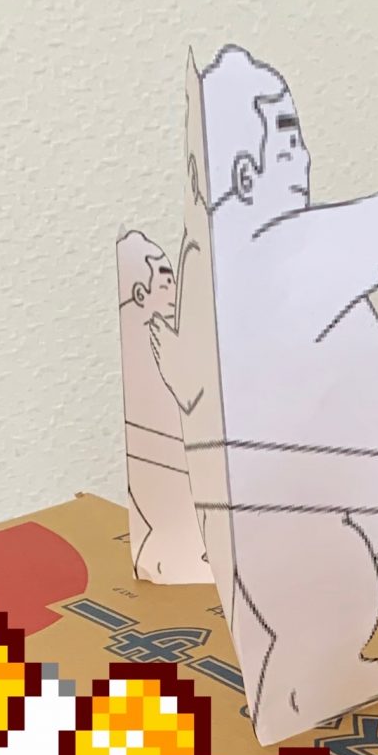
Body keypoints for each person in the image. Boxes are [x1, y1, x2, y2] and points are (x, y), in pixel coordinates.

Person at [152, 46, 378, 740]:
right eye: (286, 133)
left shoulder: (208, 266)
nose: (304, 151)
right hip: (297, 513)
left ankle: (297, 677)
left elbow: (191, 375)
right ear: (246, 170)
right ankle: (307, 687)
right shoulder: (280, 252)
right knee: (335, 601)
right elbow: (374, 234)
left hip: (251, 506)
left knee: (302, 601)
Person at [116, 230, 212, 584]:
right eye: (166, 278)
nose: (174, 289)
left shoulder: (171, 337)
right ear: (141, 293)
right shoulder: (151, 343)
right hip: (171, 541)